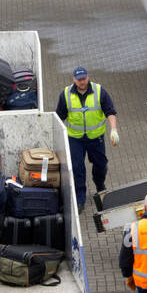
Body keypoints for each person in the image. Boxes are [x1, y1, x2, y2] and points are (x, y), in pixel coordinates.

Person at [56, 66, 118, 210]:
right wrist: (59, 137)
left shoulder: (99, 91)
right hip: (75, 139)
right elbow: (59, 117)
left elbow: (110, 110)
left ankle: (99, 185)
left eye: (83, 78)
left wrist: (113, 129)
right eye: (79, 79)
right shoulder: (65, 94)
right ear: (74, 80)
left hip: (96, 138)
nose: (82, 82)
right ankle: (80, 199)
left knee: (101, 165)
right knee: (77, 168)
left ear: (87, 77)